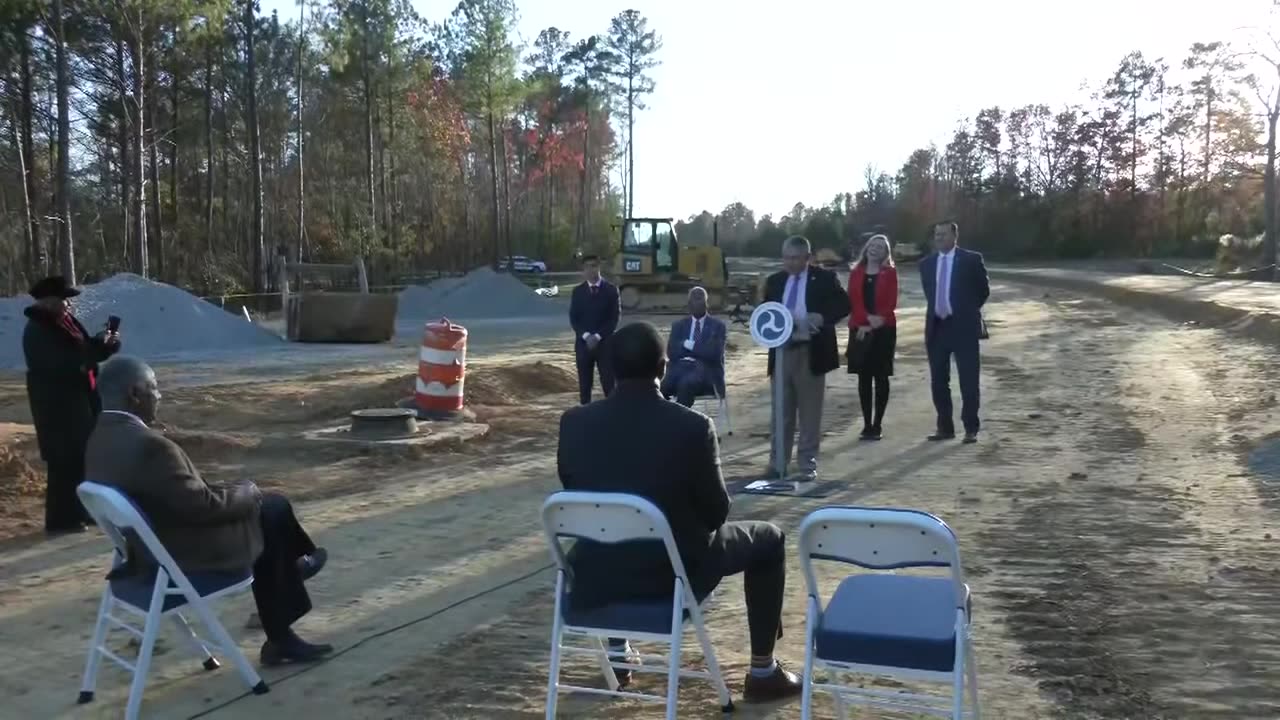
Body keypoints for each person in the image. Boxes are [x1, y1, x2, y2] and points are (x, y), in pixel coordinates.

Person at [557, 322, 803, 703]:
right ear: (662, 368)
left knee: (610, 525)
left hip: (595, 575)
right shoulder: (692, 427)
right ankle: (762, 672)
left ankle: (619, 655)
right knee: (770, 539)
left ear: (611, 368)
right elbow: (716, 514)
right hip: (670, 577)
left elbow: (577, 493)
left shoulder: (573, 423)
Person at [84, 355, 333, 666]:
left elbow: (179, 494)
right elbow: (205, 507)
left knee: (268, 509)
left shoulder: (98, 437)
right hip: (184, 556)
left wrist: (230, 490)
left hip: (144, 550)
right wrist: (246, 490)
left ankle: (294, 570)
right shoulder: (151, 446)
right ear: (135, 394)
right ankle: (283, 624)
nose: (159, 396)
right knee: (271, 509)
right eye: (155, 388)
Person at [22, 275, 121, 535]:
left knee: (80, 459)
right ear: (49, 302)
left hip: (79, 400)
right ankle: (60, 520)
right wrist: (88, 357)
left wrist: (105, 345)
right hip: (56, 406)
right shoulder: (38, 329)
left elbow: (85, 352)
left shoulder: (64, 323)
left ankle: (81, 511)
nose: (68, 305)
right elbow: (60, 366)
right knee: (62, 463)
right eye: (64, 300)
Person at [762, 236, 849, 481]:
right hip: (781, 353)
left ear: (807, 258)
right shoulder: (774, 281)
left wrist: (822, 317)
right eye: (785, 257)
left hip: (811, 352)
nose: (789, 263)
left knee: (810, 412)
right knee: (781, 411)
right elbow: (765, 312)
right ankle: (777, 463)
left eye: (795, 258)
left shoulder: (824, 279)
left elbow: (844, 304)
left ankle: (806, 464)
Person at [919, 221, 990, 443]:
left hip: (964, 328)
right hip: (937, 328)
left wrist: (966, 310)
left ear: (954, 236)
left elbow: (983, 291)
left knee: (969, 380)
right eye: (936, 234)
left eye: (943, 234)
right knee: (938, 381)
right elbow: (930, 294)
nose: (939, 238)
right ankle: (945, 427)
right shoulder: (926, 264)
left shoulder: (971, 260)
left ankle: (970, 427)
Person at [846, 234, 899, 440]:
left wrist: (879, 320)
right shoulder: (856, 272)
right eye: (872, 245)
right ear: (866, 248)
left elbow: (891, 301)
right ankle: (867, 424)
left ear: (886, 253)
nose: (875, 249)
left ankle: (878, 424)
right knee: (864, 378)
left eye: (880, 247)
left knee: (881, 376)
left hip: (884, 330)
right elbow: (853, 301)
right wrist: (866, 322)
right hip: (860, 328)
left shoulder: (890, 273)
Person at [661, 287, 726, 407]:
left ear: (706, 304)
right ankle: (660, 422)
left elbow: (714, 354)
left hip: (706, 373)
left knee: (686, 384)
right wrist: (701, 349)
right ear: (689, 305)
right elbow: (672, 352)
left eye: (701, 301)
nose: (697, 305)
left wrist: (689, 345)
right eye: (694, 301)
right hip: (680, 369)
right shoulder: (678, 326)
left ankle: (681, 422)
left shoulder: (717, 327)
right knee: (661, 387)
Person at [568, 254, 620, 404]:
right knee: (585, 387)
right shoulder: (577, 292)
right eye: (587, 267)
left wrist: (597, 336)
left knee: (609, 385)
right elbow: (574, 319)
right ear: (583, 271)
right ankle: (586, 418)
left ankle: (613, 416)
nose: (590, 270)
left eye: (593, 266)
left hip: (605, 345)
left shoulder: (611, 290)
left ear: (599, 267)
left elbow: (614, 319)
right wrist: (586, 336)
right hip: (583, 346)